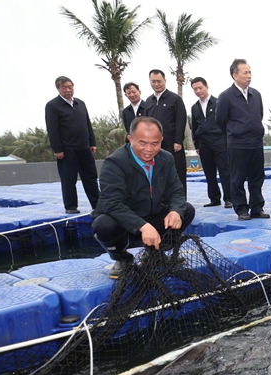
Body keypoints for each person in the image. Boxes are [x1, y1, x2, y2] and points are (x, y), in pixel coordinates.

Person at [92, 116, 196, 279]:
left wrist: (175, 210)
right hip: (125, 222)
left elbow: (176, 190)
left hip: (152, 215)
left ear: (161, 140)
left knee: (186, 210)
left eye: (155, 143)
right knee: (103, 225)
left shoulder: (166, 158)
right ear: (130, 139)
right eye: (142, 143)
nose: (148, 149)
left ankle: (155, 253)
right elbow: (111, 203)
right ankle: (121, 258)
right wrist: (142, 226)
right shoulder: (115, 163)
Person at [215, 60, 269, 221]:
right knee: (237, 179)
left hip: (256, 143)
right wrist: (236, 132)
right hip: (237, 144)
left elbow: (259, 115)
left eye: (250, 72)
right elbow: (220, 120)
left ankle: (257, 207)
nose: (249, 76)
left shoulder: (256, 94)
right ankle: (241, 209)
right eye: (245, 73)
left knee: (257, 177)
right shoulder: (226, 96)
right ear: (235, 75)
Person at [44, 76, 100, 214]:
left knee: (91, 177)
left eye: (70, 87)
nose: (68, 90)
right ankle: (71, 206)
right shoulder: (52, 105)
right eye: (64, 87)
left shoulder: (80, 103)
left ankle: (98, 205)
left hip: (84, 148)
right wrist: (57, 149)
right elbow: (52, 129)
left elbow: (88, 124)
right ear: (58, 88)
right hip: (67, 150)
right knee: (69, 179)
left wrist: (92, 142)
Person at [190, 77, 232, 209]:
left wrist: (227, 141)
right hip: (204, 144)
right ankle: (214, 198)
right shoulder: (194, 107)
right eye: (195, 89)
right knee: (209, 172)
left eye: (200, 88)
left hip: (220, 142)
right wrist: (197, 145)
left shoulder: (218, 102)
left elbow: (226, 122)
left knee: (225, 171)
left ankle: (229, 198)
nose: (198, 91)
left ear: (206, 87)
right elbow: (194, 126)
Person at [145, 69, 188, 198]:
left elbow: (181, 120)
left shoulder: (175, 99)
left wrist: (178, 141)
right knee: (158, 174)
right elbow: (146, 123)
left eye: (159, 81)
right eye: (153, 81)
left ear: (165, 81)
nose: (156, 84)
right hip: (155, 145)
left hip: (172, 144)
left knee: (178, 173)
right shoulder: (148, 101)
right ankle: (161, 202)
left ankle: (181, 202)